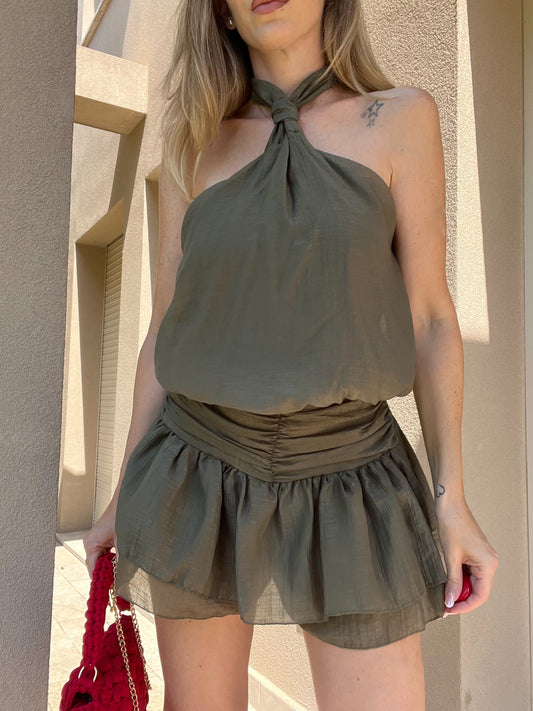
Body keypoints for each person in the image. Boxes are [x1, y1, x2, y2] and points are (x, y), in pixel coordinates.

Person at [83, 0, 499, 709]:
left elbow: (430, 317)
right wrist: (122, 494)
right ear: (220, 12)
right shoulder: (194, 138)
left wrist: (450, 496)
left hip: (354, 478)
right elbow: (166, 327)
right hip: (198, 474)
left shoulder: (400, 119)